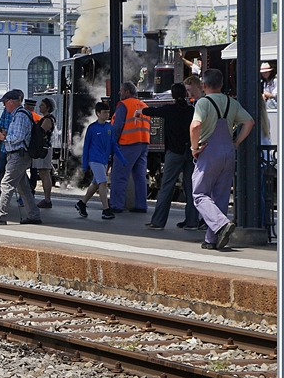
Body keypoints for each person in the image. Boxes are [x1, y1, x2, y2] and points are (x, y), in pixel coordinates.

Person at [190, 68, 254, 251]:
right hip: (228, 150)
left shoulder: (203, 103)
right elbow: (249, 122)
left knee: (199, 194)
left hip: (209, 151)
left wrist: (195, 148)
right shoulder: (231, 102)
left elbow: (195, 126)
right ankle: (211, 239)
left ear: (203, 85)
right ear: (222, 84)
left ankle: (221, 224)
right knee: (221, 195)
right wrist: (237, 142)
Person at [140, 83, 201, 231]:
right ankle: (192, 222)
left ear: (172, 96)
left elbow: (150, 111)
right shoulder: (191, 110)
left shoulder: (169, 110)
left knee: (167, 187)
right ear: (185, 95)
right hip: (189, 152)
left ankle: (158, 221)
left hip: (173, 153)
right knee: (190, 187)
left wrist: (139, 111)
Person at [0, 90, 41, 225]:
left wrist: (4, 138)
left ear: (11, 101)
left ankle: (0, 216)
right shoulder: (20, 114)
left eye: (5, 102)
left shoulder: (20, 116)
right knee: (23, 187)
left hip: (18, 154)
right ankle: (34, 215)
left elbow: (18, 136)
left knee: (6, 183)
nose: (4, 106)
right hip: (19, 155)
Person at [108, 81, 151, 213]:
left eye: (121, 90)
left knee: (119, 175)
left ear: (127, 92)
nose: (119, 93)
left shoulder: (124, 105)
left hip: (127, 144)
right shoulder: (144, 105)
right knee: (140, 176)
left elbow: (117, 127)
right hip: (143, 143)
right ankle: (141, 205)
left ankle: (116, 205)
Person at [76, 101, 123, 220]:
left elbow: (113, 145)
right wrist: (85, 164)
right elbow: (86, 146)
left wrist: (122, 159)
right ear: (97, 113)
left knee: (96, 184)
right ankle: (106, 210)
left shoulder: (109, 128)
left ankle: (82, 203)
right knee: (103, 182)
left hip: (104, 160)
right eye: (104, 112)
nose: (107, 115)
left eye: (108, 112)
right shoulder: (92, 128)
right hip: (94, 159)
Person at [32, 98, 56, 208]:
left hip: (43, 148)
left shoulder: (47, 119)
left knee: (45, 173)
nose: (40, 107)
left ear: (48, 107)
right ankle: (47, 198)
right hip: (44, 148)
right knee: (43, 173)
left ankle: (47, 199)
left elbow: (41, 133)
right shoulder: (46, 118)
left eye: (42, 105)